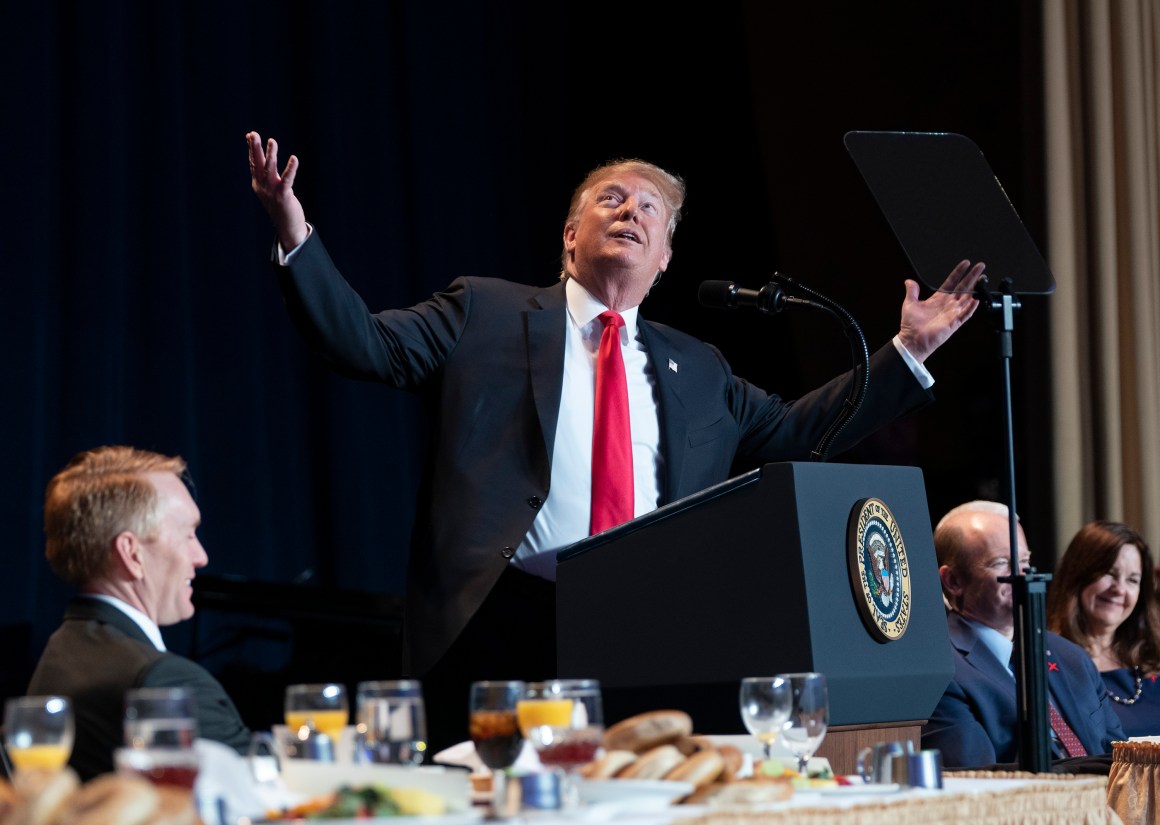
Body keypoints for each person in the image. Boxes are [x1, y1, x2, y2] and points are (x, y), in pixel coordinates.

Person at [246, 131, 984, 751]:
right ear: (570, 236)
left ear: (664, 256)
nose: (631, 209)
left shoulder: (698, 368)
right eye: (611, 199)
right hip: (504, 625)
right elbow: (363, 345)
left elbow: (794, 431)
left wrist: (905, 353)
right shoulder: (486, 313)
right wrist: (293, 233)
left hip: (651, 633)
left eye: (650, 209)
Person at [26, 446, 251, 780]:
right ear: (132, 554)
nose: (201, 556)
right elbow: (259, 797)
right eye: (188, 534)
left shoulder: (62, 652)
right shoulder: (162, 682)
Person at [922, 500, 1125, 767]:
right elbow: (977, 781)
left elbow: (1122, 764)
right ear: (953, 581)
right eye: (1001, 563)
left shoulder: (1071, 658)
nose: (1022, 575)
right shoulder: (940, 671)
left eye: (1025, 560)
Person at [1047, 520, 1160, 737]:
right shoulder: (1048, 664)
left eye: (1132, 580)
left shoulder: (1154, 657)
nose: (1119, 589)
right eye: (1109, 573)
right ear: (1077, 576)